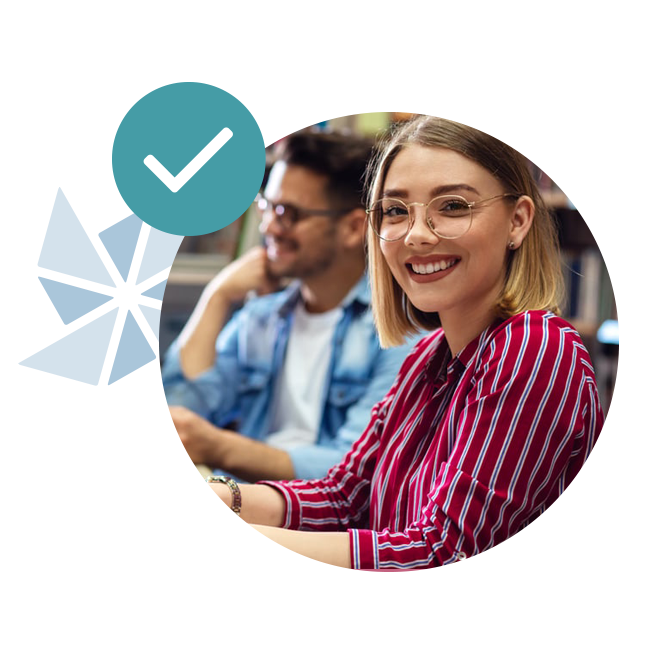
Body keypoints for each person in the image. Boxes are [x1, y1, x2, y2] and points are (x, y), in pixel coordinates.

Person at [206, 115, 604, 569]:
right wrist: (223, 499)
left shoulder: (537, 350)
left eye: (453, 206)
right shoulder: (428, 357)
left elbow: (443, 553)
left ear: (518, 221)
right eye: (396, 211)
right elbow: (345, 497)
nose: (416, 234)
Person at [161, 130, 418, 483]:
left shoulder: (401, 332)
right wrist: (216, 297)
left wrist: (220, 448)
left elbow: (357, 470)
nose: (269, 227)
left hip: (317, 520)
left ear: (353, 227)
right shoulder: (262, 317)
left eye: (287, 213)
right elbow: (183, 409)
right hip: (241, 497)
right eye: (266, 206)